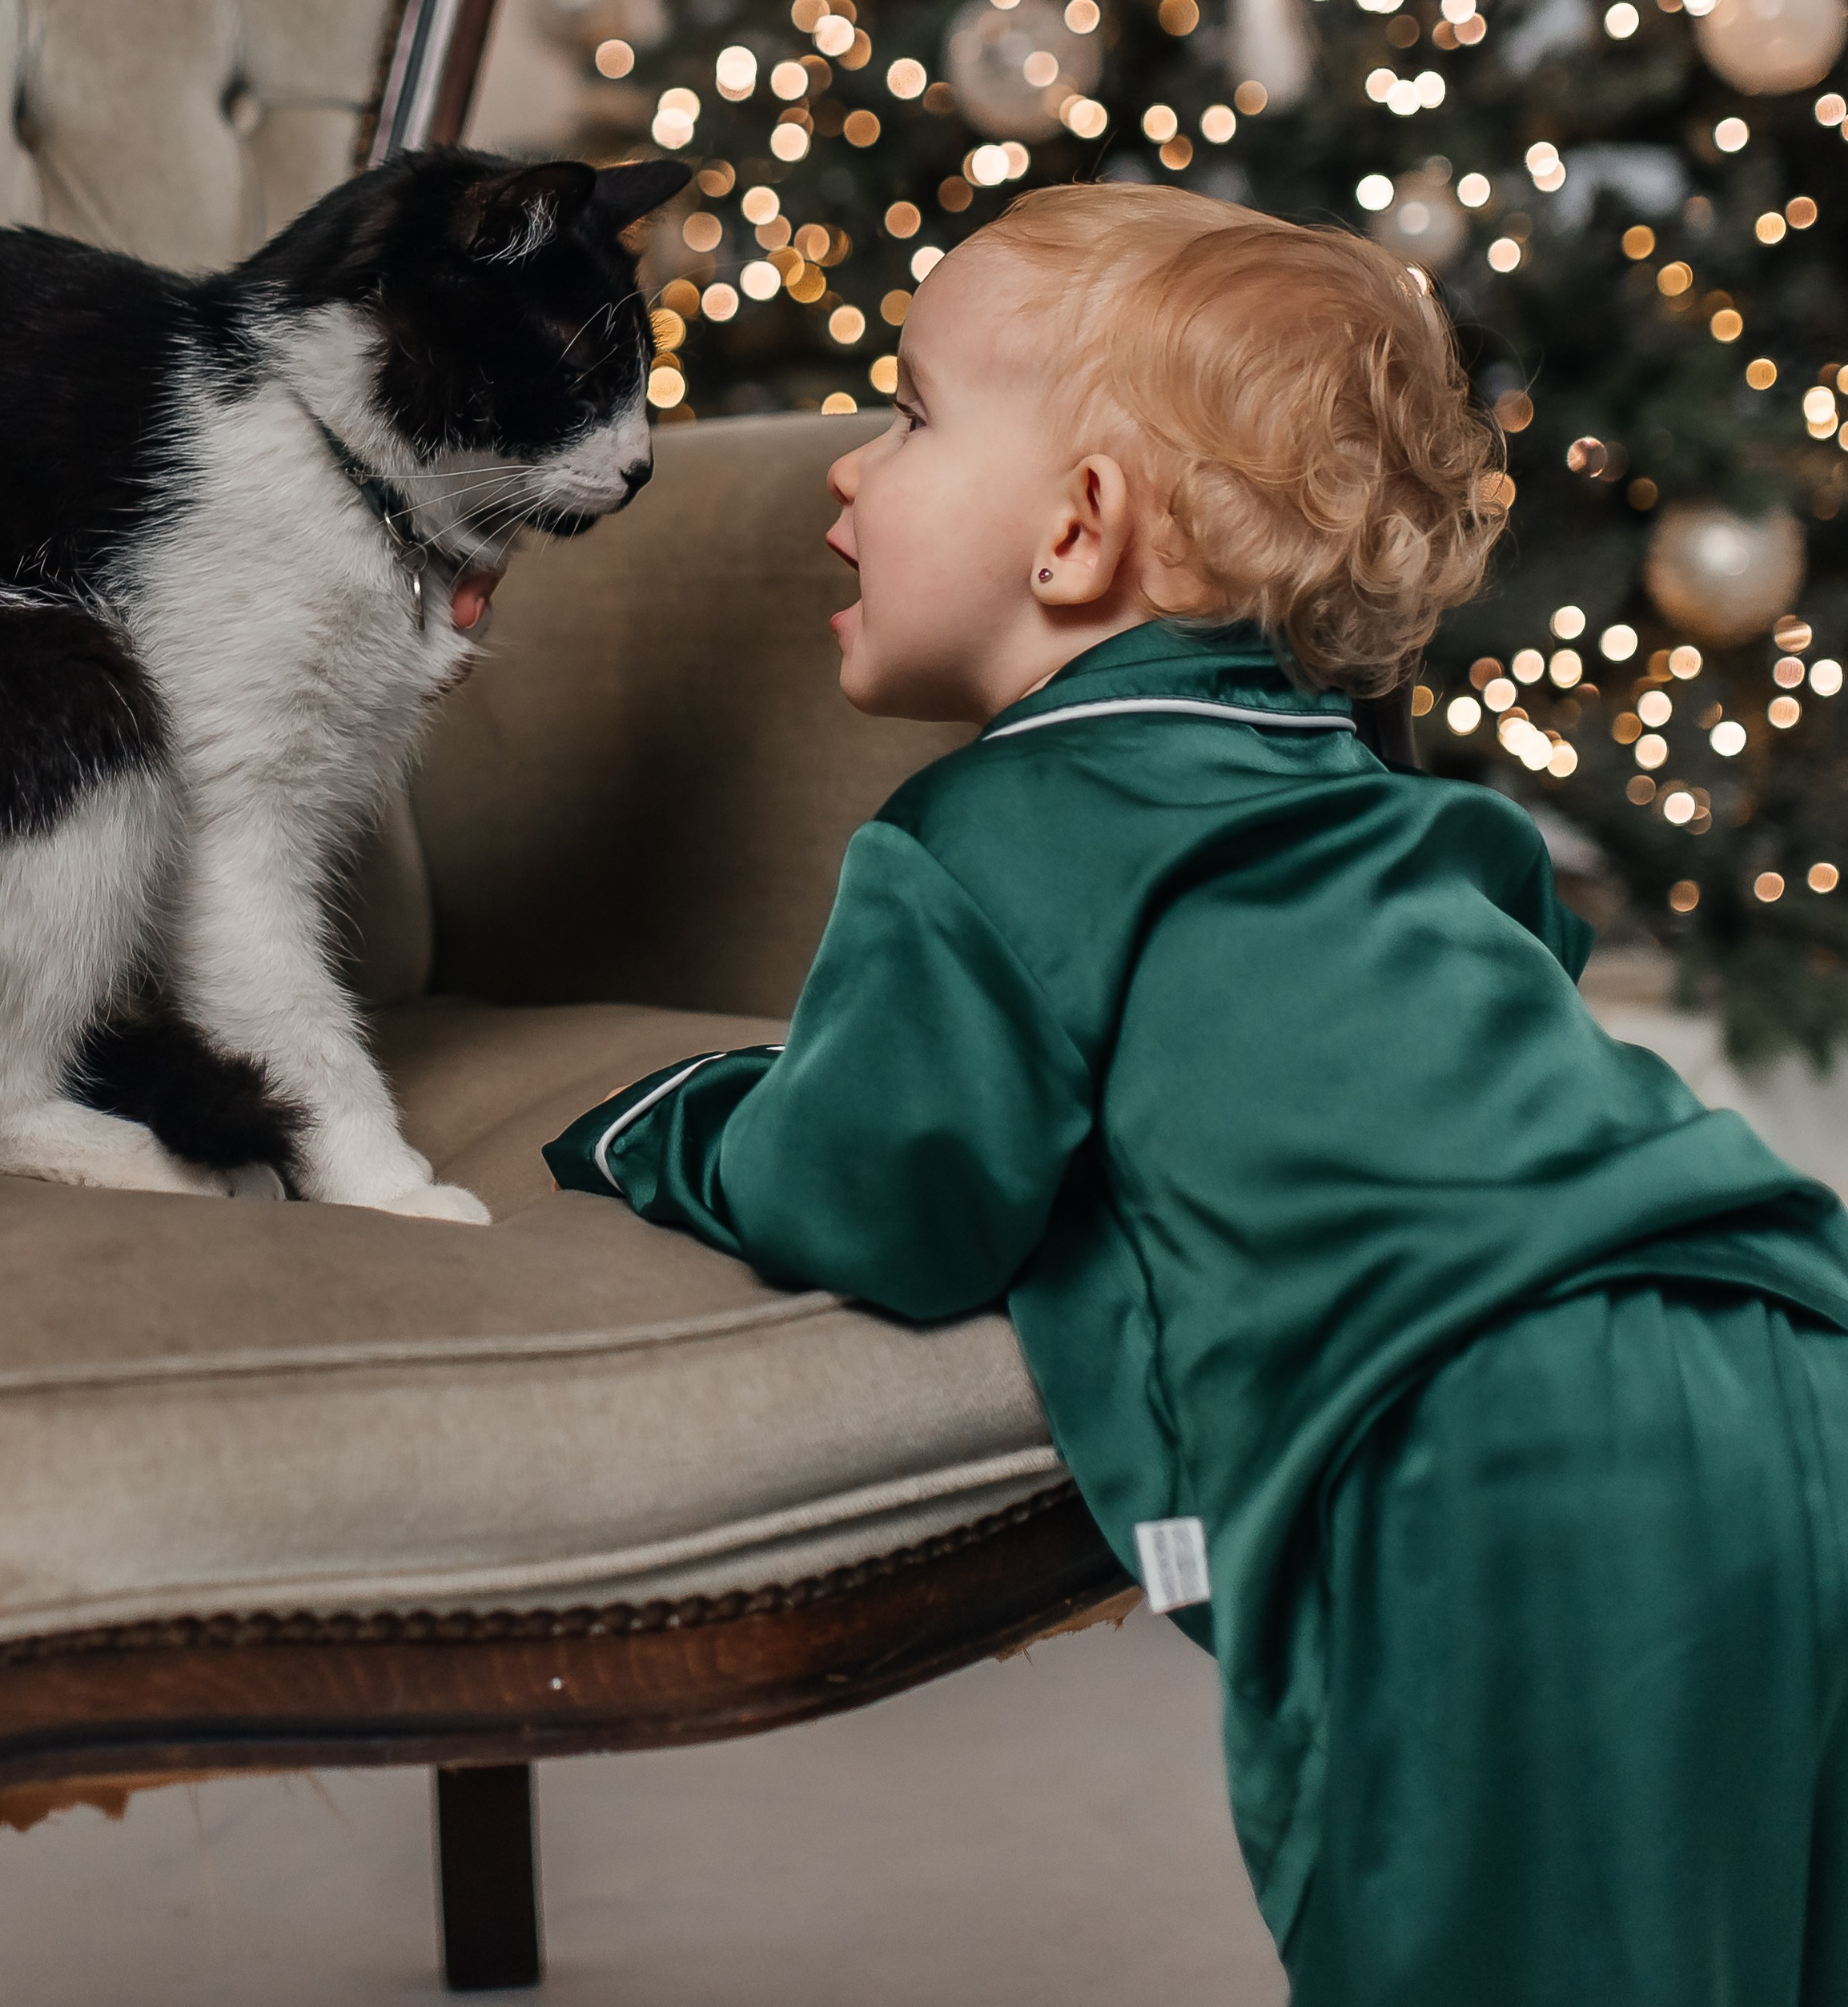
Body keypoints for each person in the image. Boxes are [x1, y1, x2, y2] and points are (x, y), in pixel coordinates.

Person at [547, 183, 1848, 2005]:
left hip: (1480, 1431)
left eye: (907, 415)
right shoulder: (1412, 818)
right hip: (1781, 1338)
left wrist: (666, 1119)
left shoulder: (987, 838)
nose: (844, 472)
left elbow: (883, 1203)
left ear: (1078, 533)